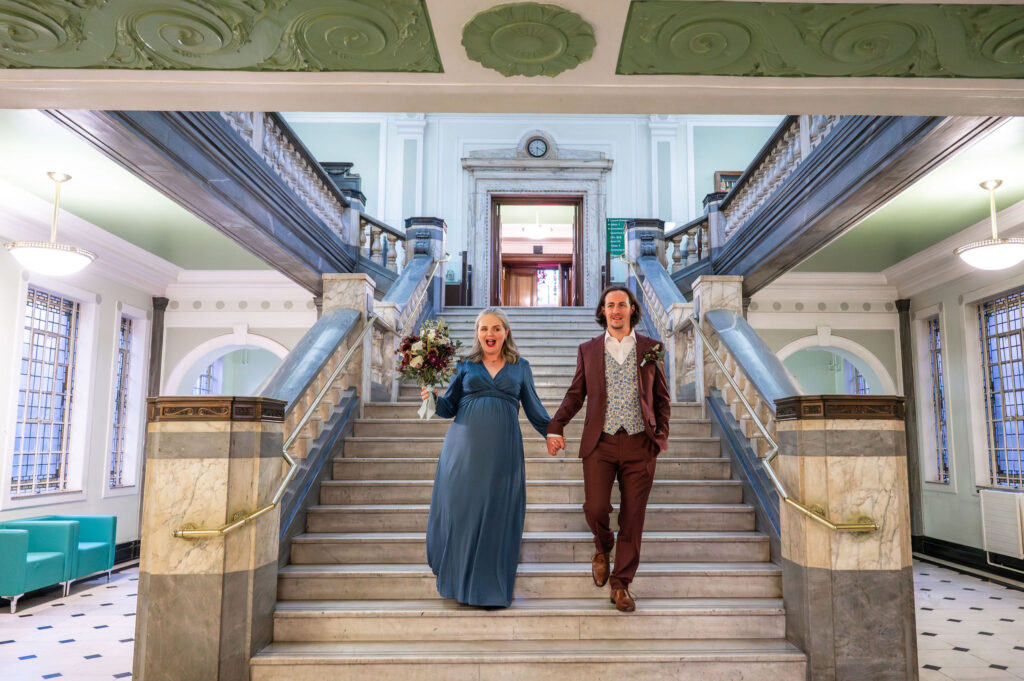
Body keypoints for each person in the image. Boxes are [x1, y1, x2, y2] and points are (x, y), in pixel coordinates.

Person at [545, 285, 671, 612]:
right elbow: (576, 394)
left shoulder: (651, 347)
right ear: (602, 311)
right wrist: (556, 424)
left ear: (632, 309)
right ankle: (603, 546)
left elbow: (661, 398)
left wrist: (660, 436)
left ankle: (621, 584)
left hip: (640, 442)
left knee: (633, 518)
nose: (615, 310)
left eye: (622, 305)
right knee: (597, 508)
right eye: (609, 305)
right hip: (599, 442)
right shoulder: (588, 350)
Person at [422, 307, 550, 608]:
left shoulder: (521, 367)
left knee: (497, 513)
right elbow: (448, 408)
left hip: (502, 452)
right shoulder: (465, 365)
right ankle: (458, 583)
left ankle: (491, 590)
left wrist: (552, 432)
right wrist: (432, 397)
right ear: (477, 333)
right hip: (462, 451)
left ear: (506, 332)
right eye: (483, 329)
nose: (489, 334)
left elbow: (533, 407)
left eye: (495, 328)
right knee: (462, 511)